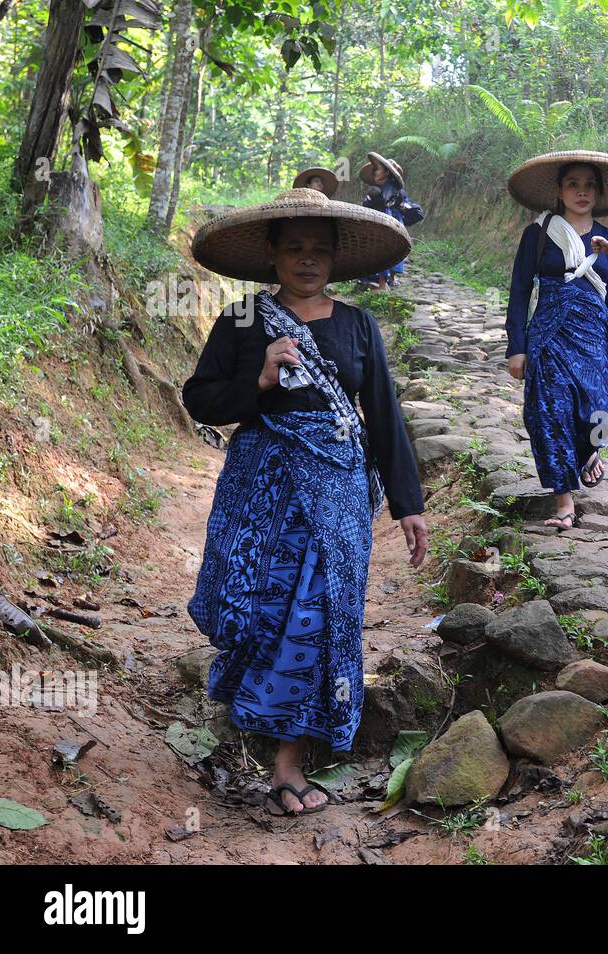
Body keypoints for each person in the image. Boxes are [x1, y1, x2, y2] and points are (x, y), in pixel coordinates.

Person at [183, 188, 429, 815]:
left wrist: (408, 503)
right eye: (294, 247)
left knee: (319, 616)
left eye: (319, 250)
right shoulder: (242, 321)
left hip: (339, 496)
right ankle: (259, 727)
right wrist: (258, 379)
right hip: (264, 496)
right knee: (265, 613)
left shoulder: (358, 326)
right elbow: (201, 401)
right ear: (271, 253)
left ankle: (288, 761)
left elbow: (384, 417)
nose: (307, 260)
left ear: (336, 258)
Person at [504, 151, 608, 529]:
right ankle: (564, 501)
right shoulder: (539, 234)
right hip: (548, 336)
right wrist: (517, 347)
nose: (582, 192)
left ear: (598, 193)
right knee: (548, 413)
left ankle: (588, 455)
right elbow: (519, 291)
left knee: (596, 411)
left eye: (589, 185)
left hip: (593, 337)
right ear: (560, 191)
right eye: (573, 184)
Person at [356, 152, 413, 290]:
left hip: (388, 223)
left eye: (378, 169)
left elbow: (403, 203)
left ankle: (384, 282)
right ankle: (378, 280)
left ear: (387, 173)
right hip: (381, 223)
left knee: (386, 250)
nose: (375, 171)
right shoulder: (378, 190)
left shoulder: (393, 190)